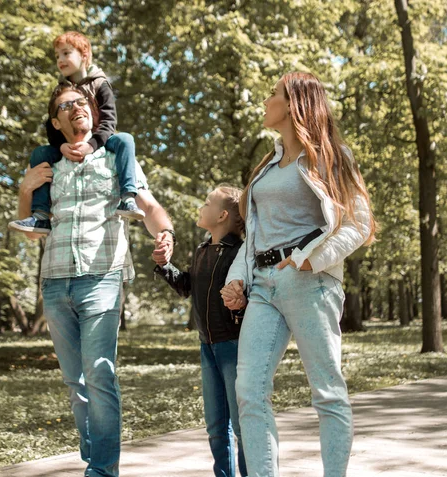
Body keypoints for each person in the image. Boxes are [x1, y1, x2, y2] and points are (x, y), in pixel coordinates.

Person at [220, 72, 377, 477]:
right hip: (263, 285)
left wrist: (313, 259)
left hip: (311, 283)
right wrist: (237, 277)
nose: (267, 99)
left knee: (327, 391)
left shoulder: (331, 157)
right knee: (248, 391)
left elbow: (358, 223)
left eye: (274, 94)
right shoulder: (267, 165)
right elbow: (254, 234)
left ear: (293, 105)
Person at [17, 84, 175, 477]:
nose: (75, 109)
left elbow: (148, 204)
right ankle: (96, 461)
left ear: (92, 111)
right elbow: (31, 228)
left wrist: (166, 233)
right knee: (76, 381)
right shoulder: (48, 165)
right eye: (65, 107)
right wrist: (24, 189)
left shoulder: (117, 154)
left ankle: (102, 471)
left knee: (100, 372)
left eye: (81, 102)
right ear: (56, 122)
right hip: (55, 281)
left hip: (102, 276)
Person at [9, 31, 145, 236]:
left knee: (125, 139)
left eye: (66, 53)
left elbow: (109, 121)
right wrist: (60, 146)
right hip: (69, 145)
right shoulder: (62, 89)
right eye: (57, 56)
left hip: (101, 140)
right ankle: (41, 216)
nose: (60, 60)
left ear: (84, 55)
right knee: (39, 154)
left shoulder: (100, 83)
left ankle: (127, 198)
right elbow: (51, 125)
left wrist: (92, 145)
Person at [154, 185, 248, 477]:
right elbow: (186, 287)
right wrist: (164, 265)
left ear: (222, 215)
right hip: (206, 345)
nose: (200, 207)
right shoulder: (201, 250)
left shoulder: (241, 253)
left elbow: (250, 298)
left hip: (233, 345)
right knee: (216, 425)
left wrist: (241, 304)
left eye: (206, 203)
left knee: (243, 423)